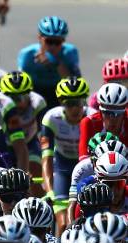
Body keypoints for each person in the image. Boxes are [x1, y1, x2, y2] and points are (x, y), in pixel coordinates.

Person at [40, 76, 95, 232]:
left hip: (87, 170)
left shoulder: (93, 117)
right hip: (63, 169)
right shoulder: (51, 118)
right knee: (64, 224)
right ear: (61, 104)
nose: (75, 109)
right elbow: (46, 158)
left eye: (78, 103)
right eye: (69, 104)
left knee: (84, 220)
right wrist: (50, 191)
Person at [0, 71, 47, 192]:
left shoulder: (38, 103)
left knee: (33, 179)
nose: (17, 102)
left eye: (22, 96)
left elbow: (45, 133)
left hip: (30, 143)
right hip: (6, 147)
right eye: (12, 98)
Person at [17, 16, 80, 106]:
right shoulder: (28, 55)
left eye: (57, 42)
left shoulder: (70, 53)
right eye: (49, 41)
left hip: (60, 92)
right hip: (35, 92)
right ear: (39, 38)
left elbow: (75, 84)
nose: (53, 46)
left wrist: (56, 63)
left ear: (63, 41)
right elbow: (20, 85)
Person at [78, 83, 128, 159]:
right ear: (100, 111)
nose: (112, 119)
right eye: (107, 113)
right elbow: (84, 160)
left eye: (118, 113)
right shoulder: (89, 123)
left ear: (125, 112)